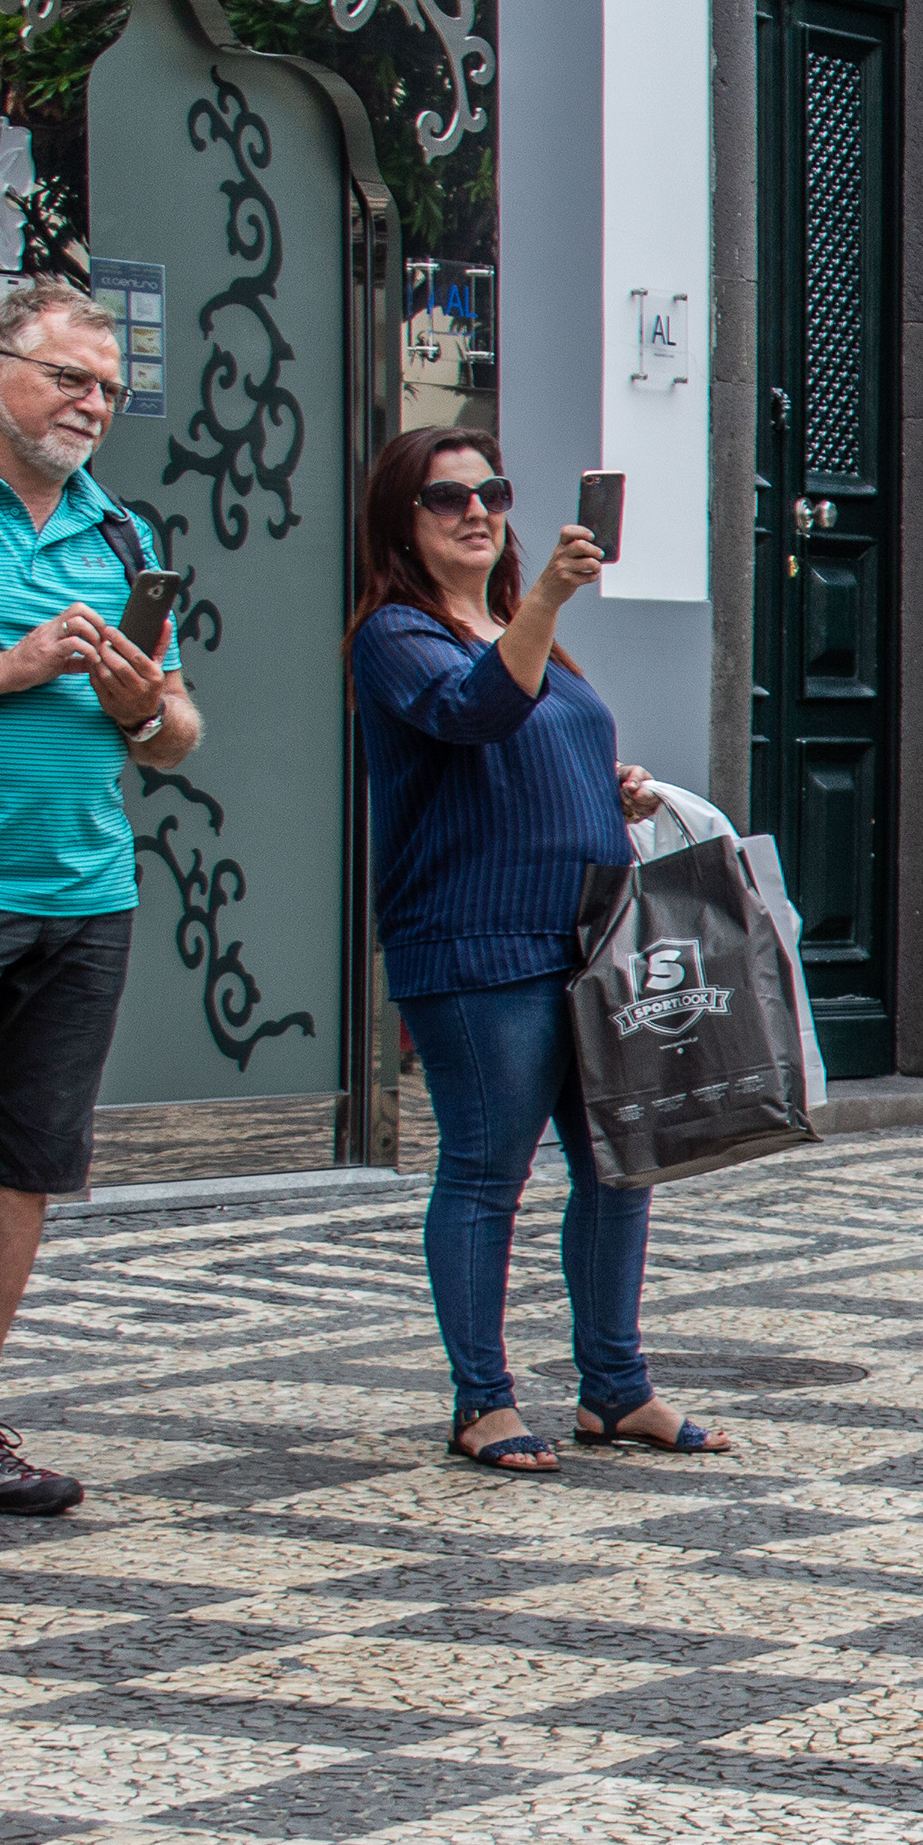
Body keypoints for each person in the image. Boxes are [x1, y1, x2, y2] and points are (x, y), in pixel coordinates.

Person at [347, 428, 722, 1473]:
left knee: (618, 1168)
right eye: (446, 498)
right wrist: (548, 602)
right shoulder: (397, 636)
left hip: (587, 938)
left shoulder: (523, 632)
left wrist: (616, 790)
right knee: (485, 1172)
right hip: (475, 947)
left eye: (493, 491)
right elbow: (473, 719)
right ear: (401, 524)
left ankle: (616, 1389)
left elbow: (542, 744)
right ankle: (483, 1401)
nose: (477, 511)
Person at [0, 283, 197, 1516]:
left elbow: (177, 732)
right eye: (68, 378)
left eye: (106, 387)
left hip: (82, 890)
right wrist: (6, 671)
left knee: (25, 1163)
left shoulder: (121, 535)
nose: (93, 405)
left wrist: (137, 705)